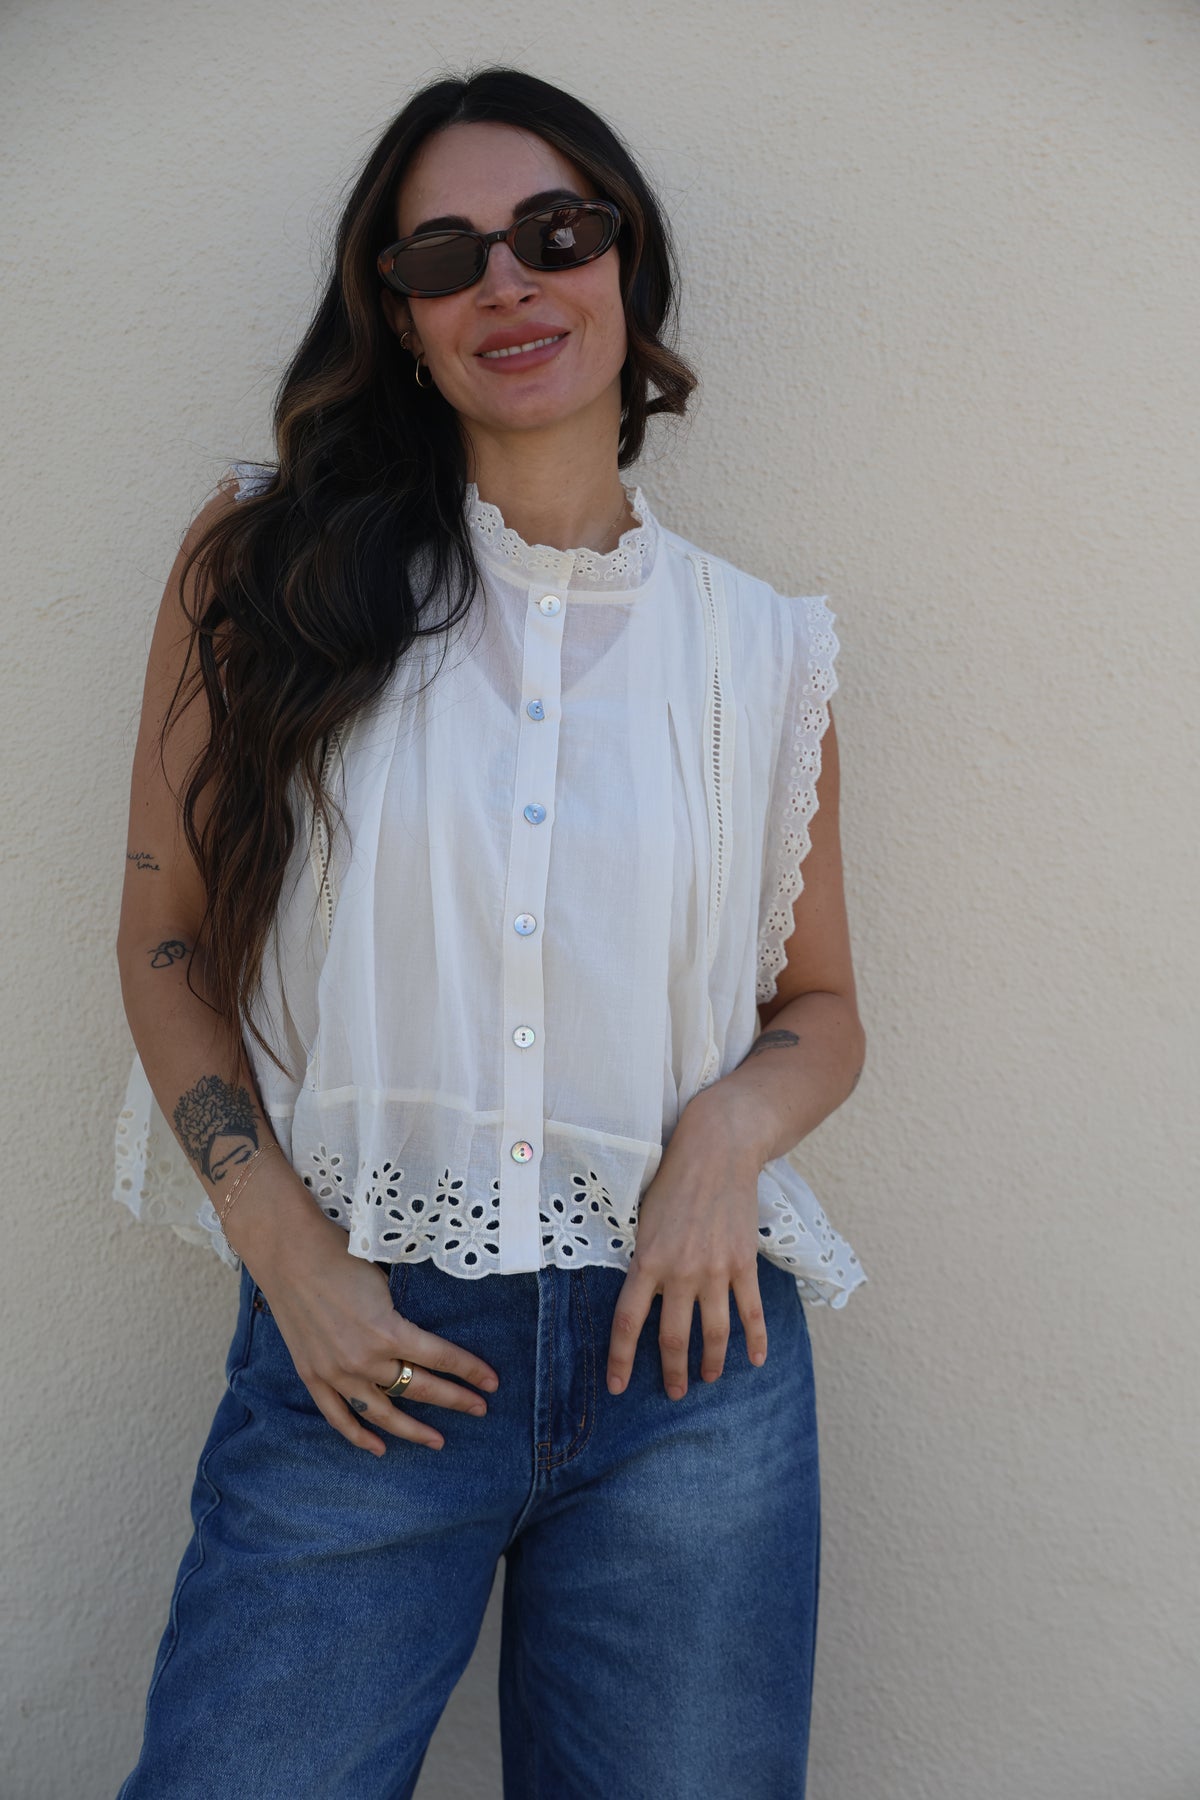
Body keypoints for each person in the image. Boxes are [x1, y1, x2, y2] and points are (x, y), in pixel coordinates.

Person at [112, 65, 867, 1800]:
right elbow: (165, 942)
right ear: (399, 316)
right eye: (444, 256)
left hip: (695, 1360)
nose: (507, 283)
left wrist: (724, 1139)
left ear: (627, 261)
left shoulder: (766, 652)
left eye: (555, 233)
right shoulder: (268, 567)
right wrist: (286, 1255)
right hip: (361, 1343)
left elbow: (821, 1005)